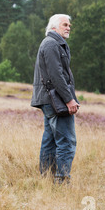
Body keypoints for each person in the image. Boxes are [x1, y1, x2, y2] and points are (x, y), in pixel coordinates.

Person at [31, 14, 80, 184]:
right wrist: (69, 99)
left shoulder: (52, 43)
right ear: (54, 27)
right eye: (65, 24)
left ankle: (46, 180)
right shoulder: (52, 43)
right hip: (55, 100)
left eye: (69, 25)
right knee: (67, 141)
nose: (68, 27)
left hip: (49, 100)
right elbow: (56, 75)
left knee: (50, 141)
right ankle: (61, 181)